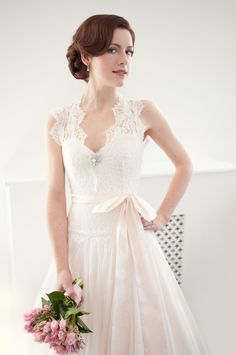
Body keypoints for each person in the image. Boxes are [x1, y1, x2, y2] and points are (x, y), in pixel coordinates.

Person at [31, 14, 209, 355]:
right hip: (80, 247)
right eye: (113, 49)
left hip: (130, 244)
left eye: (129, 51)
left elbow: (184, 164)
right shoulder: (59, 120)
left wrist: (161, 217)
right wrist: (63, 266)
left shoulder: (143, 112)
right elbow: (55, 196)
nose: (124, 60)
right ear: (86, 56)